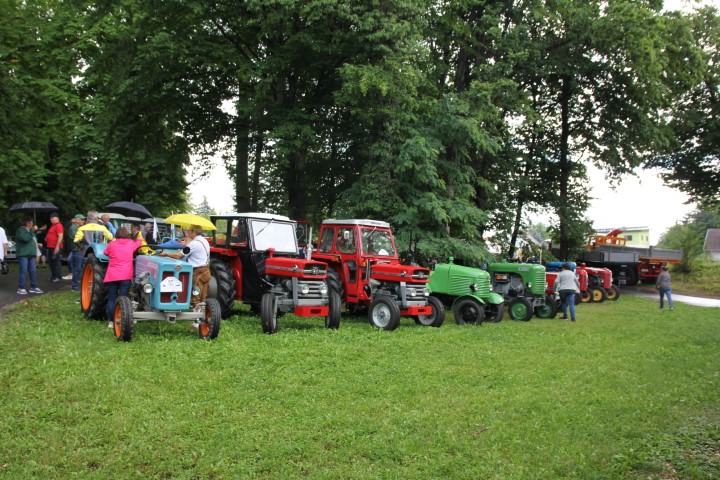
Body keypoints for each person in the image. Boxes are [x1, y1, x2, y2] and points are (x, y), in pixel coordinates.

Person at [158, 225, 210, 328]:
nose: (187, 233)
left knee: (195, 296)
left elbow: (178, 255)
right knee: (203, 297)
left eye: (188, 231)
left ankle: (196, 324)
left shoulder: (194, 244)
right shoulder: (204, 241)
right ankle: (203, 320)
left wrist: (165, 254)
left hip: (197, 271)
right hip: (206, 269)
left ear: (192, 232)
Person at [103, 227, 142, 328]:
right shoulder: (130, 243)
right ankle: (122, 318)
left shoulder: (112, 244)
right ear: (127, 234)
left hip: (112, 275)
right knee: (123, 298)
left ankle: (111, 321)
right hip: (125, 275)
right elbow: (139, 242)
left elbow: (105, 253)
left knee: (112, 298)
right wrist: (137, 236)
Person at [15, 217, 43, 294]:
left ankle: (33, 287)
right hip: (23, 254)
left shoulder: (31, 231)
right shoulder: (20, 230)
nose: (32, 224)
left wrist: (37, 244)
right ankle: (21, 288)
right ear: (27, 223)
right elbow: (25, 239)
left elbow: (32, 239)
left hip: (31, 254)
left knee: (33, 271)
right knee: (23, 271)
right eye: (31, 222)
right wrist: (32, 231)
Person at [64, 214, 86, 291]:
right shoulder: (74, 228)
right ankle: (75, 286)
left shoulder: (78, 227)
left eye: (83, 219)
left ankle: (77, 284)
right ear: (77, 220)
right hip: (77, 249)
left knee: (79, 267)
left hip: (78, 249)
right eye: (82, 219)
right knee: (77, 268)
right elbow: (76, 239)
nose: (83, 221)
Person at [45, 212, 65, 282]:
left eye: (52, 218)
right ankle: (54, 276)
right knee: (51, 262)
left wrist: (57, 247)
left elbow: (60, 236)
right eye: (50, 218)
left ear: (57, 218)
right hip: (50, 247)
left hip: (55, 247)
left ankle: (58, 276)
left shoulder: (58, 225)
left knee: (56, 262)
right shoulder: (53, 226)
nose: (51, 219)